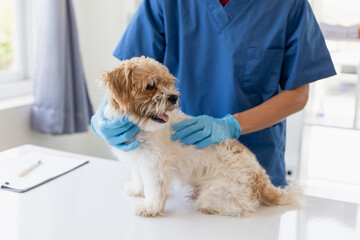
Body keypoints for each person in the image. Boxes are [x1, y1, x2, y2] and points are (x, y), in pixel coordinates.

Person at [91, 0, 336, 187]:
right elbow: (130, 76)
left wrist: (231, 125)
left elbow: (298, 95)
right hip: (173, 168)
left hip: (248, 172)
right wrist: (105, 117)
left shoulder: (287, 5)